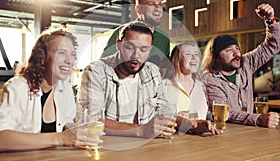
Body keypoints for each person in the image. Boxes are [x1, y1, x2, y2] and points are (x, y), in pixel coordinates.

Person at [78, 21, 218, 138]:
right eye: (129, 47)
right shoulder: (95, 71)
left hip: (147, 150)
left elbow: (164, 114)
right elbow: (92, 121)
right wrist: (142, 130)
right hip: (108, 149)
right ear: (118, 44)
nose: (136, 55)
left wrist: (190, 125)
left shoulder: (151, 71)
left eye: (143, 49)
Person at [0, 27, 104, 152]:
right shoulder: (18, 87)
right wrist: (61, 138)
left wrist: (77, 131)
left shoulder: (64, 88)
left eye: (73, 54)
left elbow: (62, 126)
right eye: (61, 52)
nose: (69, 60)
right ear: (42, 56)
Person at [201, 3, 280, 128]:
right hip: (226, 133)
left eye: (237, 48)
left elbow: (272, 46)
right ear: (215, 57)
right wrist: (258, 119)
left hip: (248, 132)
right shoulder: (210, 79)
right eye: (228, 50)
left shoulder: (245, 63)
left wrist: (270, 20)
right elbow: (227, 113)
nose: (236, 53)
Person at [102, 0, 170, 66]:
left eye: (160, 4)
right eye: (151, 4)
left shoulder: (164, 38)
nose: (158, 8)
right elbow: (102, 66)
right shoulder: (122, 32)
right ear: (138, 9)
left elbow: (166, 69)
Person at [162, 42, 208, 120]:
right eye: (188, 54)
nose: (194, 57)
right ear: (176, 59)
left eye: (196, 54)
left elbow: (204, 115)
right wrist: (175, 117)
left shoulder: (201, 86)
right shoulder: (164, 86)